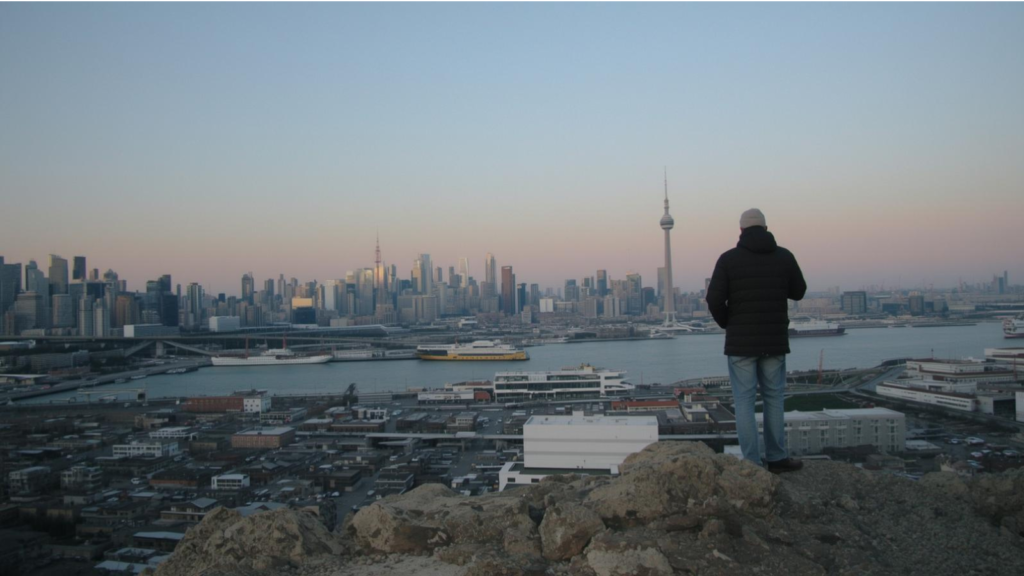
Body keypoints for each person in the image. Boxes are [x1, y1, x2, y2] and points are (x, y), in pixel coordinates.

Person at [706, 208, 807, 473]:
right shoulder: (784, 256)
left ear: (741, 230)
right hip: (774, 340)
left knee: (744, 401)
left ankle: (751, 462)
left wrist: (728, 323)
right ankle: (777, 458)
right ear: (766, 228)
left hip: (741, 343)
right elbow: (799, 291)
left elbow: (714, 299)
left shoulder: (728, 259)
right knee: (774, 398)